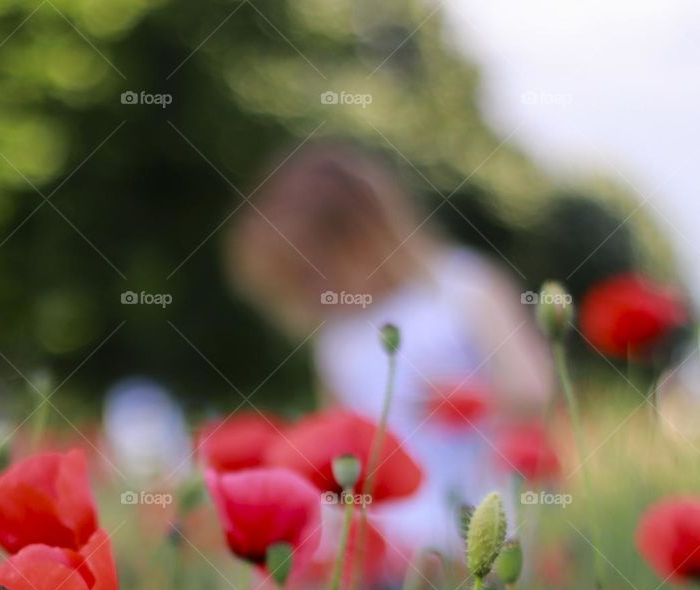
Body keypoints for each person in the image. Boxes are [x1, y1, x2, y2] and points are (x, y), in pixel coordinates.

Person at [225, 142, 553, 555]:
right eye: (301, 282)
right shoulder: (336, 339)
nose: (316, 290)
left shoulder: (465, 288)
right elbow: (337, 454)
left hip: (480, 513)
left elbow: (539, 392)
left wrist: (472, 401)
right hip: (385, 535)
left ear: (368, 235)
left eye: (317, 269)